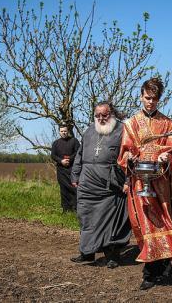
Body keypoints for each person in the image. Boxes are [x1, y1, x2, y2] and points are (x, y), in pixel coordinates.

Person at [117, 77, 172, 290]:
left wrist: (166, 158)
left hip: (162, 182)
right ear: (140, 96)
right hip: (139, 181)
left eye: (154, 99)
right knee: (144, 223)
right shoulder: (131, 124)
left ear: (159, 99)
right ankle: (149, 272)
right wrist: (129, 157)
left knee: (165, 220)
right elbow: (125, 151)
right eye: (147, 98)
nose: (150, 102)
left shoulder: (168, 124)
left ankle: (165, 264)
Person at [70, 102, 131, 268]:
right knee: (86, 217)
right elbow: (80, 155)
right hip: (87, 182)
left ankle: (113, 256)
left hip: (110, 185)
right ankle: (87, 252)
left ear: (112, 113)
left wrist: (128, 181)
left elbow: (131, 158)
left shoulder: (123, 130)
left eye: (104, 115)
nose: (101, 118)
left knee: (110, 221)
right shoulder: (89, 130)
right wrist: (75, 175)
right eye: (97, 115)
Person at [51, 125, 80, 212]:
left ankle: (75, 208)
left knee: (73, 188)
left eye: (65, 131)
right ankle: (65, 209)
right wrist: (61, 161)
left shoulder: (74, 141)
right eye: (62, 131)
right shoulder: (56, 143)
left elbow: (78, 152)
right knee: (63, 189)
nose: (63, 133)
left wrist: (69, 159)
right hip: (61, 170)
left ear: (68, 132)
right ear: (59, 132)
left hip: (72, 169)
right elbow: (53, 155)